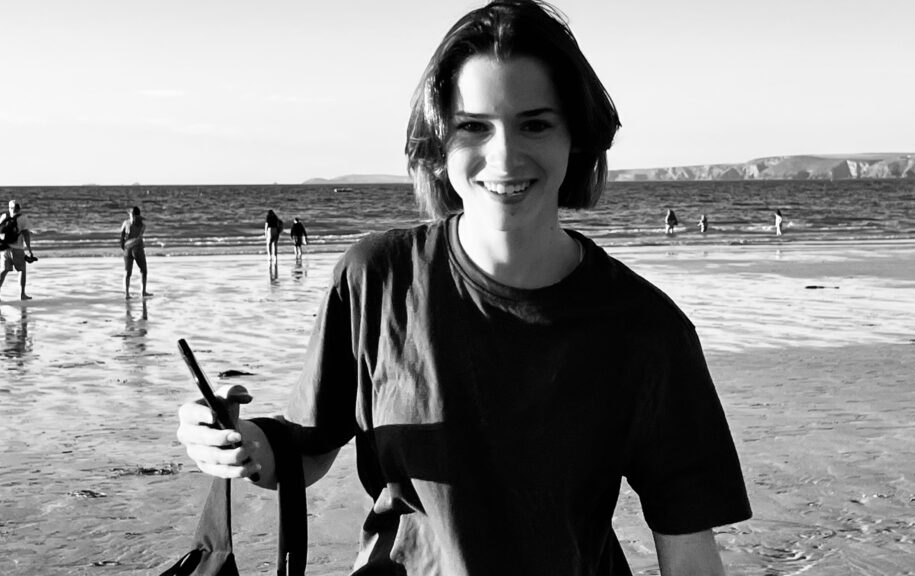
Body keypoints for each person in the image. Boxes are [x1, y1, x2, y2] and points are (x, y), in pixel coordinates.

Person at [176, 2, 751, 574]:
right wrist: (236, 442)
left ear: (576, 135)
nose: (504, 156)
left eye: (535, 124)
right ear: (438, 138)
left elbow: (689, 551)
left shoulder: (645, 328)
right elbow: (307, 450)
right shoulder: (377, 278)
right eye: (474, 126)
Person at [0, 200, 36, 302]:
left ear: (9, 208)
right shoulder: (23, 218)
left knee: (4, 271)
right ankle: (22, 294)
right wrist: (29, 250)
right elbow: (26, 235)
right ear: (19, 208)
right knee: (22, 270)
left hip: (5, 248)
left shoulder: (4, 217)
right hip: (18, 249)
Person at [119, 206, 152, 299]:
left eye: (131, 214)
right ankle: (142, 292)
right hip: (137, 249)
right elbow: (138, 236)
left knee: (128, 272)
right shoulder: (142, 225)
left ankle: (127, 294)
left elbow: (121, 239)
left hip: (128, 249)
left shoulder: (125, 223)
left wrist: (124, 247)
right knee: (143, 270)